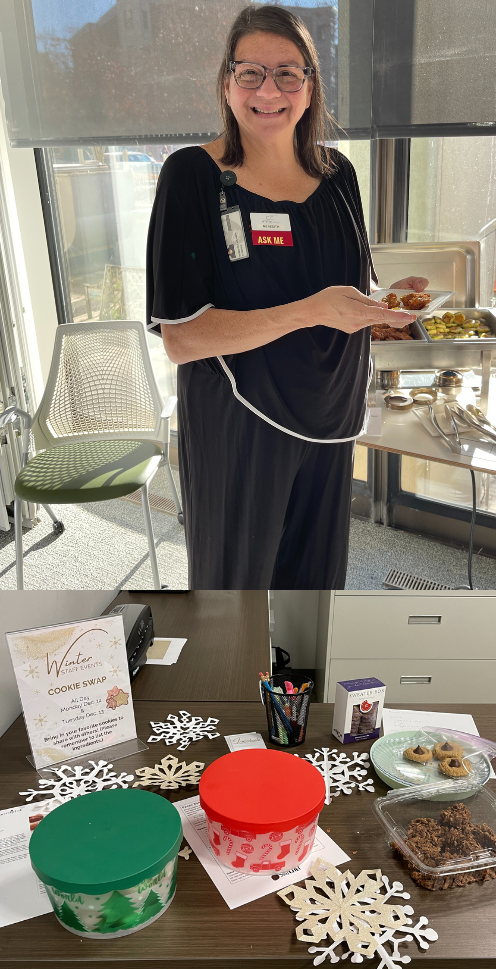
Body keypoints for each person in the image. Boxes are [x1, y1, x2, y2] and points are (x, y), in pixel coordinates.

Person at [145, 5, 428, 589]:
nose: (267, 90)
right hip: (241, 424)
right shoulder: (192, 177)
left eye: (287, 74)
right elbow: (182, 337)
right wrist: (311, 312)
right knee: (234, 596)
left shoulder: (338, 175)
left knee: (314, 592)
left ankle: (299, 683)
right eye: (250, 72)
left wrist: (384, 303)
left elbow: (343, 289)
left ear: (309, 87)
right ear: (227, 82)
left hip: (332, 414)